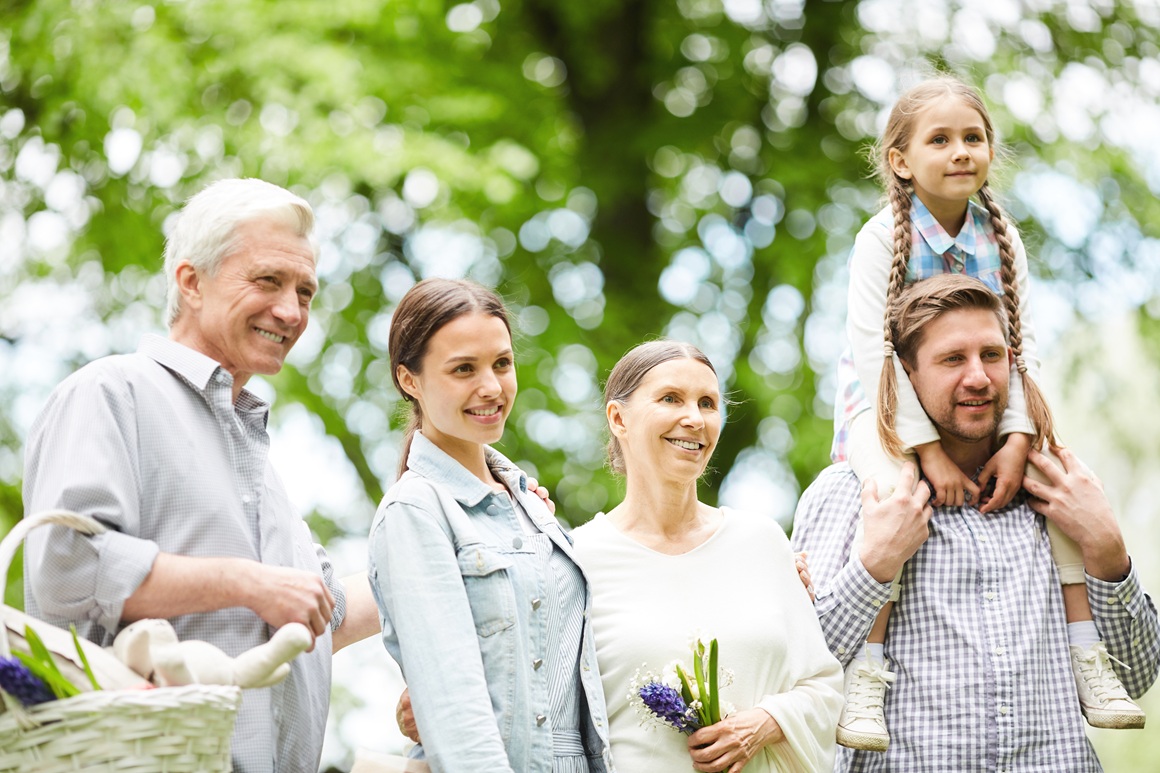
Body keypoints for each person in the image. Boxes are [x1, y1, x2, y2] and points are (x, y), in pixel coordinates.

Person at [21, 178, 381, 773]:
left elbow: (326, 612)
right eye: (268, 280)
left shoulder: (257, 458)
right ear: (191, 282)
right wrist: (246, 582)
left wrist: (476, 540)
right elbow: (66, 566)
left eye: (306, 291)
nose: (291, 311)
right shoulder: (112, 392)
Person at [827, 75, 1142, 750]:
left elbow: (1018, 350)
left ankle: (1086, 650)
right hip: (882, 404)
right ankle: (868, 669)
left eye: (973, 137)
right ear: (900, 159)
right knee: (891, 491)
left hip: (996, 407)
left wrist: (1020, 436)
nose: (960, 151)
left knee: (1057, 480)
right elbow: (873, 350)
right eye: (939, 139)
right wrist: (927, 452)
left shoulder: (1003, 239)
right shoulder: (882, 239)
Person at [794, 274, 1160, 771]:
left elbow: (1136, 677)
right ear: (906, 374)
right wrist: (874, 567)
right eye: (952, 359)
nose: (979, 377)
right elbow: (795, 675)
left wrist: (1109, 549)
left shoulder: (1060, 493)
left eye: (991, 355)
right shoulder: (847, 494)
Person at [367, 278, 613, 772]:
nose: (491, 387)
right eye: (463, 369)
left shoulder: (530, 505)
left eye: (502, 363)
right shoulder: (415, 512)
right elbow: (457, 717)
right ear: (409, 380)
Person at [570, 340, 843, 773]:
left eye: (708, 403)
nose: (694, 419)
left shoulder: (763, 542)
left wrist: (767, 722)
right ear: (618, 418)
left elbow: (824, 686)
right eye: (670, 399)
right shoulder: (576, 559)